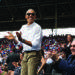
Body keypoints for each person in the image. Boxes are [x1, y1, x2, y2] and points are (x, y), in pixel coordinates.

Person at [5, 9, 42, 75]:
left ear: (35, 17)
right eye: (28, 14)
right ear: (25, 16)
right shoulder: (23, 27)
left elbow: (35, 44)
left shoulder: (37, 27)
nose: (30, 15)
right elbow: (19, 42)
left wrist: (22, 40)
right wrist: (14, 39)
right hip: (25, 54)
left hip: (34, 54)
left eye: (32, 14)